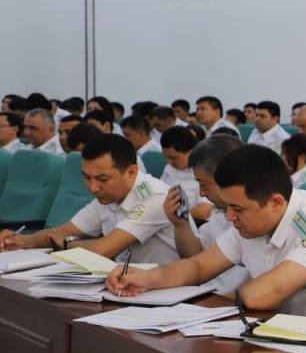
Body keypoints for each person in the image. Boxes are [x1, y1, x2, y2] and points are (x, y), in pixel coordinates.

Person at [106, 145, 306, 320]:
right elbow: (199, 267)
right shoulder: (250, 221)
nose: (229, 217)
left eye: (237, 209)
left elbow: (262, 295)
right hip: (281, 336)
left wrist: (203, 304)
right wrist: (147, 278)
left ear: (276, 202)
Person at [0, 134, 177, 262]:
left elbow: (103, 250)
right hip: (126, 282)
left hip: (165, 291)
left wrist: (67, 243)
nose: (93, 188)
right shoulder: (107, 196)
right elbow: (65, 231)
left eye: (102, 179)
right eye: (87, 178)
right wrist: (22, 241)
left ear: (131, 172)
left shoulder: (154, 198)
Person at [161, 134, 250, 294]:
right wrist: (181, 224)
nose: (201, 193)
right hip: (210, 295)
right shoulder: (219, 211)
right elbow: (196, 257)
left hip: (232, 302)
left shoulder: (257, 217)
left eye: (205, 185)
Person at [159, 126, 201, 206]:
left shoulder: (203, 174)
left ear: (191, 152)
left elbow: (205, 209)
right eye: (166, 157)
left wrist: (176, 211)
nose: (169, 162)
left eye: (173, 158)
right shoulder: (168, 169)